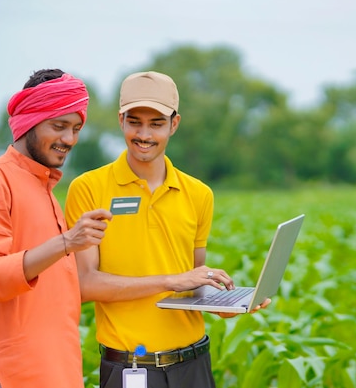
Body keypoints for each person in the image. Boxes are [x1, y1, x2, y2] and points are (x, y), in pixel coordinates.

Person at [64, 71, 270, 388]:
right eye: (135, 121)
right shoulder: (88, 188)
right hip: (131, 368)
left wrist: (223, 302)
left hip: (194, 365)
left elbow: (193, 278)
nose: (144, 134)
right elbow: (85, 284)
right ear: (121, 120)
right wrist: (170, 281)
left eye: (156, 123)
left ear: (174, 124)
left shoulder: (199, 193)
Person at [0, 69, 113, 388]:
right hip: (14, 377)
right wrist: (66, 242)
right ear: (29, 121)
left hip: (58, 373)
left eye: (75, 129)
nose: (69, 140)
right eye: (58, 126)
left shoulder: (44, 188)